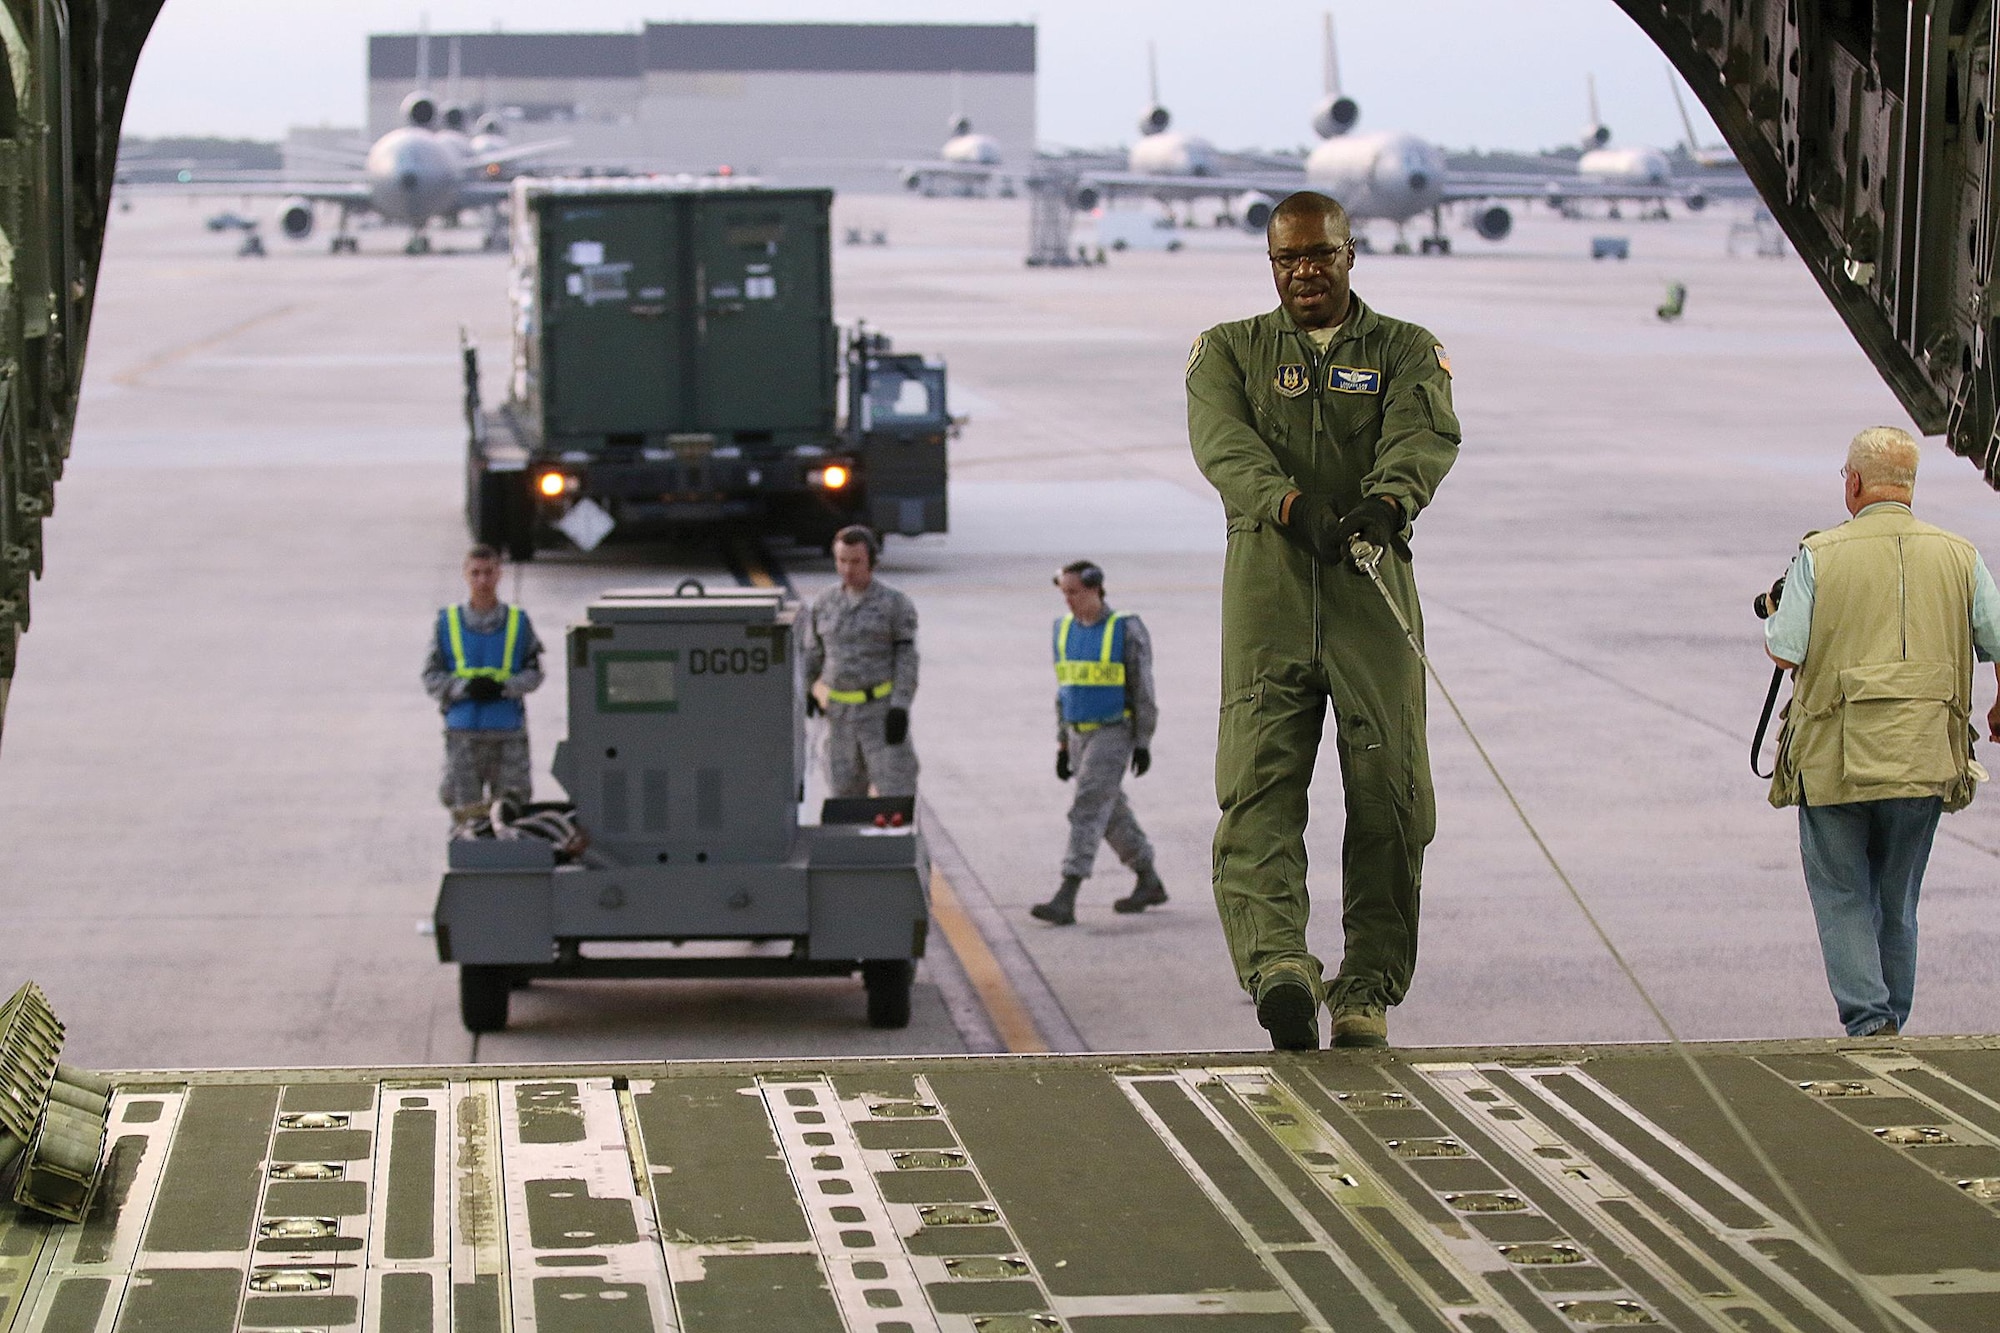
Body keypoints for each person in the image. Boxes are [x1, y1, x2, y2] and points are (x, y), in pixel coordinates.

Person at [1186, 191, 1461, 1051]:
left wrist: (1386, 503)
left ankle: (1367, 987)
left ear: (1350, 254)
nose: (1305, 271)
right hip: (1269, 590)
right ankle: (1279, 970)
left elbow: (1423, 433)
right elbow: (1223, 445)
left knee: (1389, 791)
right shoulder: (1226, 351)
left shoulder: (1407, 349)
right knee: (1259, 784)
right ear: (1272, 265)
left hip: (1368, 588)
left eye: (1321, 255)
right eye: (1288, 259)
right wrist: (1288, 503)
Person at [1763, 427, 2000, 1037]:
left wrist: (1783, 606)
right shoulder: (1961, 555)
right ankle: (1893, 1014)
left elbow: (1784, 652)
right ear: (1910, 487)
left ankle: (1870, 1024)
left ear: (1855, 482)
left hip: (1835, 761)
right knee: (1897, 900)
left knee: (1843, 894)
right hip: (1925, 757)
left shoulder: (1819, 555)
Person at [1032, 560, 1167, 925]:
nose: (1068, 601)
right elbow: (1065, 691)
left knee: (1088, 806)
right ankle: (1148, 878)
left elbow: (1143, 690)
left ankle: (1068, 892)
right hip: (1078, 734)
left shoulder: (1124, 629)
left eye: (1074, 592)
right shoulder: (1063, 631)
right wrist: (1062, 744)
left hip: (1113, 732)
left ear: (1095, 589)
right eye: (1064, 593)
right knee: (1109, 812)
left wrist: (1143, 741)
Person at [423, 545, 544, 828]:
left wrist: (504, 687)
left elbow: (534, 673)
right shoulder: (447, 623)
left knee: (513, 815)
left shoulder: (517, 622)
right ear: (465, 575)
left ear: (499, 574)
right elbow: (430, 677)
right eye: (475, 573)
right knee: (467, 817)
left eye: (488, 573)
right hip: (463, 734)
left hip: (508, 733)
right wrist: (464, 688)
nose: (482, 581)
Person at [804, 526, 920, 798]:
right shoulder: (825, 602)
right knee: (843, 800)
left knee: (897, 797)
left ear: (872, 562)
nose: (847, 569)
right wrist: (808, 691)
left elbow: (906, 659)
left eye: (855, 561)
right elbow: (813, 654)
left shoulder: (894, 604)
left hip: (880, 714)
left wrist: (900, 707)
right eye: (841, 561)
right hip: (840, 717)